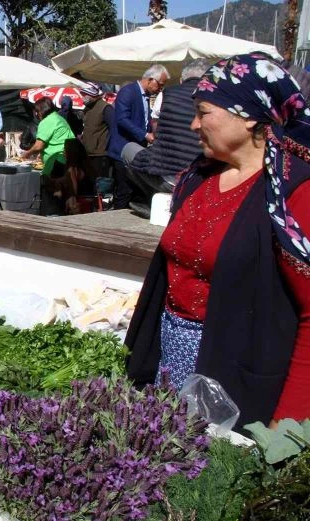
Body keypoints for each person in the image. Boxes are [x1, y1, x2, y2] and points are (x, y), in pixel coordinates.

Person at [125, 53, 310, 428]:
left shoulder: (293, 193)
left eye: (204, 112)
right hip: (171, 362)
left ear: (249, 116)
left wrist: (287, 424)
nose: (193, 124)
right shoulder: (197, 177)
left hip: (238, 375)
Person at [122, 59, 209, 203]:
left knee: (128, 150)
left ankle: (153, 200)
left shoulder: (167, 94)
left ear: (182, 80)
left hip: (171, 180)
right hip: (204, 179)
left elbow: (157, 132)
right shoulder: (218, 99)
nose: (160, 88)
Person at [108, 64, 170, 208]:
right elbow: (122, 119)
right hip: (122, 149)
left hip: (137, 149)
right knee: (124, 190)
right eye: (160, 85)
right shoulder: (128, 91)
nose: (160, 89)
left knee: (136, 189)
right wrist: (145, 134)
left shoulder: (146, 96)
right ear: (150, 80)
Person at [20, 97, 75, 215]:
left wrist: (26, 154)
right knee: (62, 195)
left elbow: (39, 145)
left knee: (52, 196)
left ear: (41, 110)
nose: (36, 114)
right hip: (66, 160)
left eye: (37, 111)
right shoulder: (59, 118)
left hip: (56, 162)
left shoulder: (47, 121)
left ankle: (51, 216)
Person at [79, 82, 115, 194]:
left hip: (100, 155)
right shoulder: (87, 108)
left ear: (92, 94)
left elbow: (114, 128)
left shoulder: (105, 108)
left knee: (100, 186)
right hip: (87, 153)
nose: (82, 97)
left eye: (84, 94)